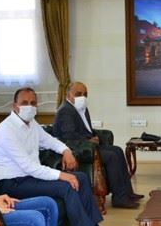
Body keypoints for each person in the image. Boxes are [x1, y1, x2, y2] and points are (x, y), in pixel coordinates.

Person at [0, 87, 122, 226]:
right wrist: (62, 175)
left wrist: (66, 151)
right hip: (12, 183)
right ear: (14, 106)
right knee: (67, 186)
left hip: (29, 178)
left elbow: (50, 141)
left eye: (33, 103)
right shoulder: (6, 130)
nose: (29, 107)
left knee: (81, 178)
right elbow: (28, 166)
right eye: (24, 103)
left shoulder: (32, 124)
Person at [53, 81, 143, 209]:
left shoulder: (82, 108)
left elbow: (87, 130)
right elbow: (69, 136)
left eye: (85, 94)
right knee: (112, 156)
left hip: (88, 145)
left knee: (117, 150)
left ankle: (127, 193)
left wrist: (95, 136)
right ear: (68, 95)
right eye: (78, 94)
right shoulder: (66, 111)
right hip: (77, 148)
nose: (82, 97)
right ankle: (119, 198)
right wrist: (88, 140)